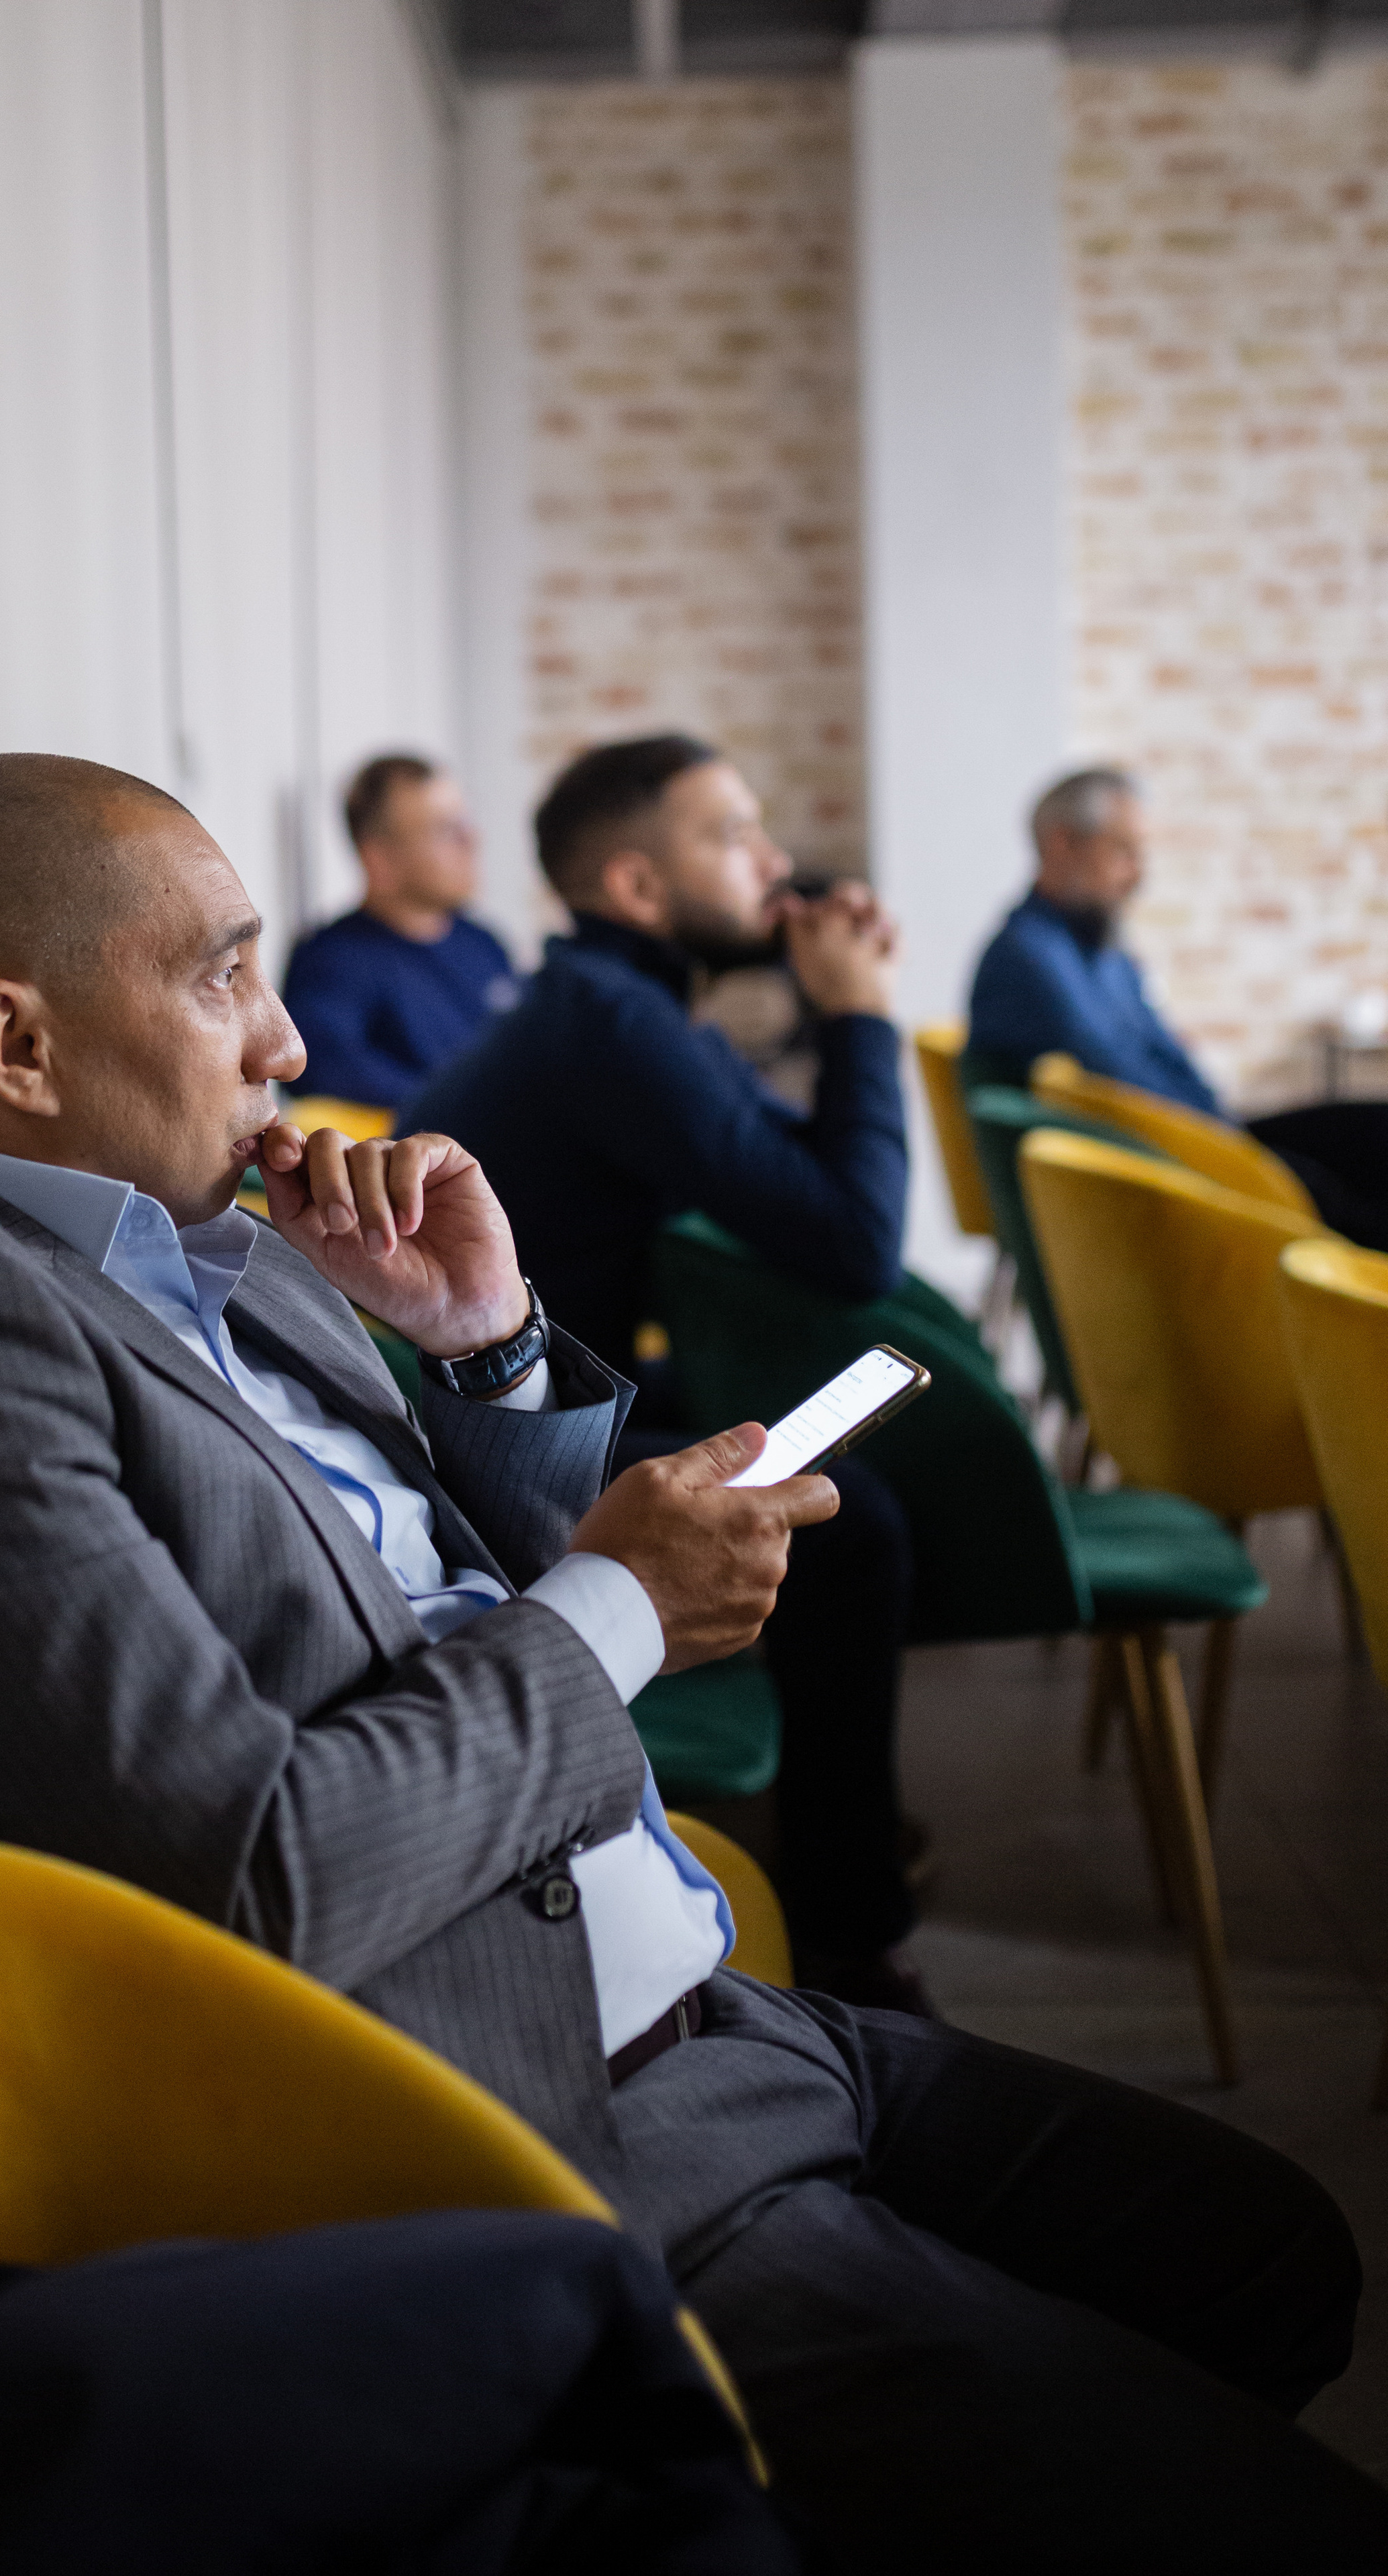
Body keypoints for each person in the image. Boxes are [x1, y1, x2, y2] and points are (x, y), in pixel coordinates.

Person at [0, 756, 1385, 2569]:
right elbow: (259, 1871)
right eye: (220, 977)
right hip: (558, 2129)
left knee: (1280, 2255)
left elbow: (444, 1594)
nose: (283, 1038)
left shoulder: (222, 1245)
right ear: (17, 1044)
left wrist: (488, 1352)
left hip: (730, 2016)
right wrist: (622, 1605)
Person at [407, 735, 920, 2007]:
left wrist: (832, 1005)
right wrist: (858, 1011)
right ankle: (857, 1937)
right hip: (494, 1455)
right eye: (734, 835)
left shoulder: (612, 1006)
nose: (777, 862)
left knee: (825, 1478)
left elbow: (784, 1164)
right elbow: (855, 1240)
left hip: (543, 1399)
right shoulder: (614, 1026)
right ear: (637, 888)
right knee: (860, 1532)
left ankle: (846, 1839)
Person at [969, 767, 1388, 1250]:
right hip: (1173, 1166)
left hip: (1203, 1136)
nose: (1139, 873)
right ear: (1063, 843)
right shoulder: (1031, 960)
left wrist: (1224, 1125)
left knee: (1373, 1130)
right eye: (1124, 851)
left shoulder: (1099, 951)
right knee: (1340, 1197)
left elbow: (1166, 1056)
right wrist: (1233, 1147)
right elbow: (1122, 1088)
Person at [279, 752, 519, 1110]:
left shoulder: (484, 943)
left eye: (464, 823)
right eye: (443, 830)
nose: (470, 841)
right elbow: (318, 1071)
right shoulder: (332, 960)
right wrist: (468, 1110)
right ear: (380, 859)